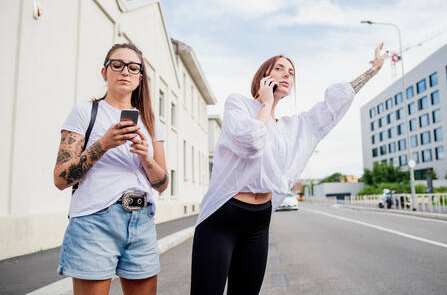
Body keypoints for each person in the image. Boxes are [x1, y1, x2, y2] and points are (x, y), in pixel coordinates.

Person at [190, 43, 388, 294]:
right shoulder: (237, 105)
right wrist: (266, 102)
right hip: (222, 218)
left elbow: (331, 108)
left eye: (291, 72)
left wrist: (371, 72)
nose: (287, 74)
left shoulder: (290, 128)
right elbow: (251, 142)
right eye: (280, 69)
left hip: (258, 221)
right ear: (264, 77)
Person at [53, 43, 169, 295]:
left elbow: (162, 183)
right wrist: (103, 144)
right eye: (117, 65)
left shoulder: (149, 120)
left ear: (140, 78)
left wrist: (145, 158)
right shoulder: (85, 112)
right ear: (104, 73)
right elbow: (61, 178)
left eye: (132, 67)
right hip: (94, 221)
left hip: (142, 221)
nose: (124, 71)